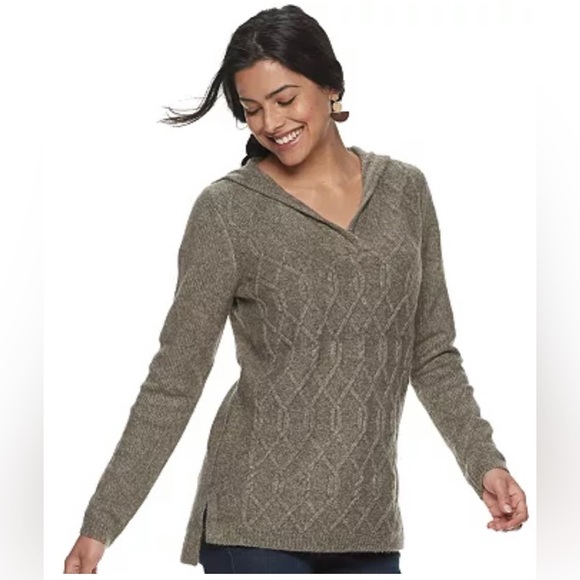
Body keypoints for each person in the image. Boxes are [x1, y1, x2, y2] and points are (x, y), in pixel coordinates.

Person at [63, 4, 529, 575]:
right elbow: (175, 380)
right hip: (251, 523)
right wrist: (101, 523)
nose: (270, 122)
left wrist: (484, 463)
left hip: (368, 523)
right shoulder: (227, 211)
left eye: (285, 99)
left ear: (331, 86)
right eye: (252, 109)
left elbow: (431, 351)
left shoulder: (405, 191)